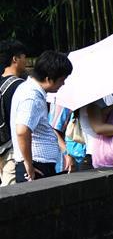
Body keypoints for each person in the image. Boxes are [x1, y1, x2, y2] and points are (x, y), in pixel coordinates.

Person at [10, 51, 73, 182]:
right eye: (62, 80)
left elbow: (42, 127)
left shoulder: (28, 89)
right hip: (36, 166)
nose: (63, 84)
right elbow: (22, 131)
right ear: (49, 78)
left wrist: (65, 151)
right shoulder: (32, 97)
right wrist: (29, 164)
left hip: (38, 164)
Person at [0, 40, 28, 185]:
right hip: (11, 146)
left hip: (1, 141)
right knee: (9, 190)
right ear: (15, 59)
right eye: (24, 57)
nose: (26, 60)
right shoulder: (21, 86)